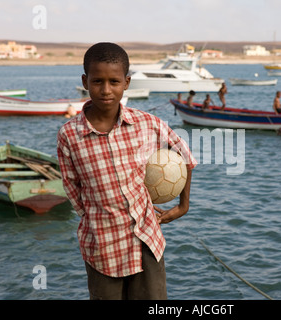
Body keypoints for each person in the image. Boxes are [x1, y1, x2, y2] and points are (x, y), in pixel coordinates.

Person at [57, 42, 197, 300]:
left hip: (147, 242)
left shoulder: (147, 123)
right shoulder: (69, 135)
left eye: (114, 81)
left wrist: (183, 205)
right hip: (102, 247)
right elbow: (71, 186)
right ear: (85, 81)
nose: (106, 90)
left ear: (127, 83)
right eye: (98, 81)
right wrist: (96, 217)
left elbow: (184, 154)